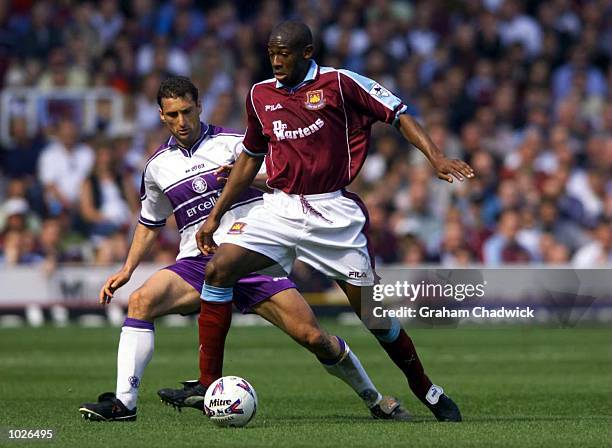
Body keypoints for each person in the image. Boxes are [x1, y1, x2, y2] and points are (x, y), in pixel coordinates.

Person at [78, 76, 408, 422]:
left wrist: (242, 175)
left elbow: (284, 178)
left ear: (199, 106)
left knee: (314, 338)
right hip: (198, 264)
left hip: (249, 257)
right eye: (173, 114)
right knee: (141, 300)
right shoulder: (157, 168)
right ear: (161, 115)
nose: (182, 121)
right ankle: (124, 404)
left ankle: (374, 399)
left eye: (187, 111)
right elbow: (150, 222)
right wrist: (127, 269)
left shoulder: (235, 144)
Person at [195, 21, 475, 422]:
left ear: (307, 52)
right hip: (279, 207)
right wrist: (216, 214)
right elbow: (249, 158)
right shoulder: (260, 95)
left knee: (374, 316)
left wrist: (436, 158)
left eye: (284, 53)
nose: (276, 60)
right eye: (272, 52)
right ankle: (209, 387)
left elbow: (400, 114)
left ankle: (425, 388)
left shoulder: (341, 83)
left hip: (333, 214)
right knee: (219, 270)